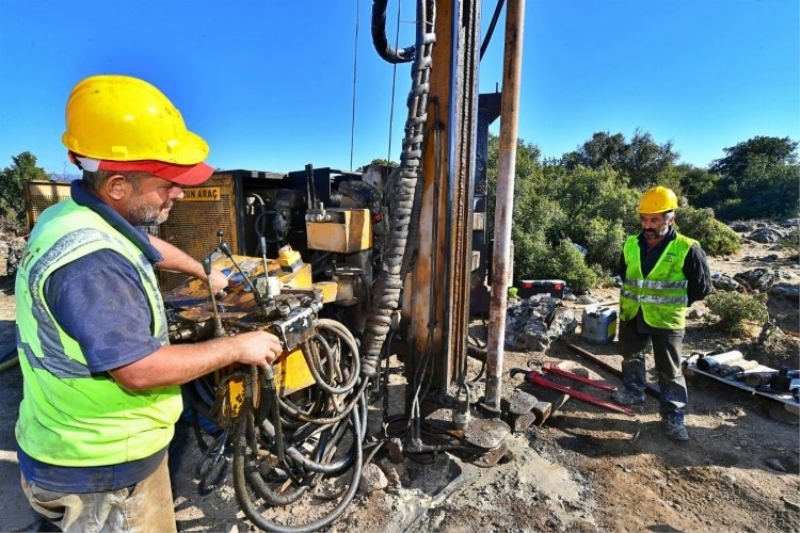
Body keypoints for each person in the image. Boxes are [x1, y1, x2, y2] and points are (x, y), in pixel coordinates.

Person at [14, 74, 284, 532]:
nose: (178, 193)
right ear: (118, 186)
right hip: (101, 469)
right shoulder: (93, 264)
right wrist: (240, 347)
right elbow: (139, 371)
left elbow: (148, 247)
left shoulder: (73, 214)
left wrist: (205, 272)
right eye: (167, 184)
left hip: (68, 444)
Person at [612, 186, 712, 441]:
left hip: (667, 319)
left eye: (654, 219)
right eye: (644, 219)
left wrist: (673, 302)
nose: (648, 225)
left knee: (669, 369)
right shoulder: (631, 244)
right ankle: (634, 392)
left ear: (670, 219)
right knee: (631, 356)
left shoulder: (687, 248)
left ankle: (673, 416)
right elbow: (625, 275)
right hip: (633, 313)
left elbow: (702, 288)